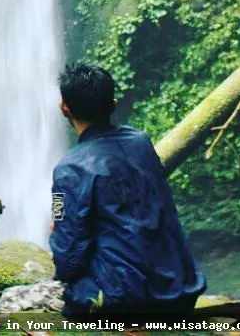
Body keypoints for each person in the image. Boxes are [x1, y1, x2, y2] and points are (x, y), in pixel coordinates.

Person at [49, 63, 206, 323]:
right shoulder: (141, 143)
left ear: (64, 107)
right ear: (113, 105)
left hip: (126, 302)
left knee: (41, 297)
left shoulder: (69, 170)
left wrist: (57, 233)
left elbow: (68, 258)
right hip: (182, 291)